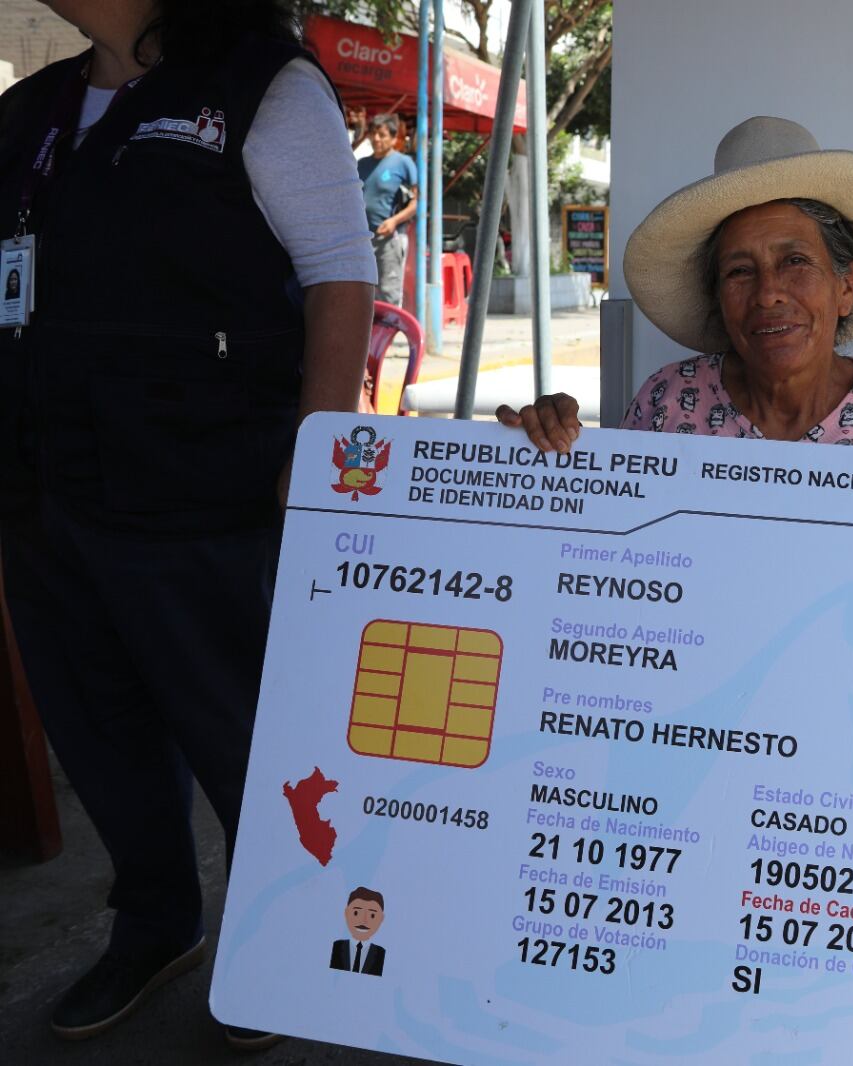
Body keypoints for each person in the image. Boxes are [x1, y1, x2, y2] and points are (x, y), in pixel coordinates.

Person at [0, 0, 375, 1048]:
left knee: (248, 741)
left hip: (206, 493)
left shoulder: (262, 84)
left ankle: (290, 941)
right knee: (100, 733)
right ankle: (157, 924)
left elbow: (341, 280)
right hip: (44, 494)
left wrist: (317, 464)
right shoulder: (33, 108)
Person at [498, 116, 853, 475]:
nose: (768, 294)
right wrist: (547, 451)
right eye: (740, 271)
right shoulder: (669, 405)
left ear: (846, 285)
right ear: (719, 300)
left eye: (795, 262)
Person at [357, 112, 418, 307]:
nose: (376, 139)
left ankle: (388, 337)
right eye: (373, 134)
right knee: (362, 290)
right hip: (362, 239)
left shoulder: (403, 163)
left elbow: (417, 202)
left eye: (382, 135)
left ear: (393, 138)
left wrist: (394, 221)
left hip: (390, 239)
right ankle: (369, 337)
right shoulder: (361, 164)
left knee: (388, 291)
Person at [329, 887, 387, 977]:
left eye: (372, 915)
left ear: (381, 918)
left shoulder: (380, 954)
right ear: (346, 912)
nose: (364, 921)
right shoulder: (337, 947)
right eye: (356, 913)